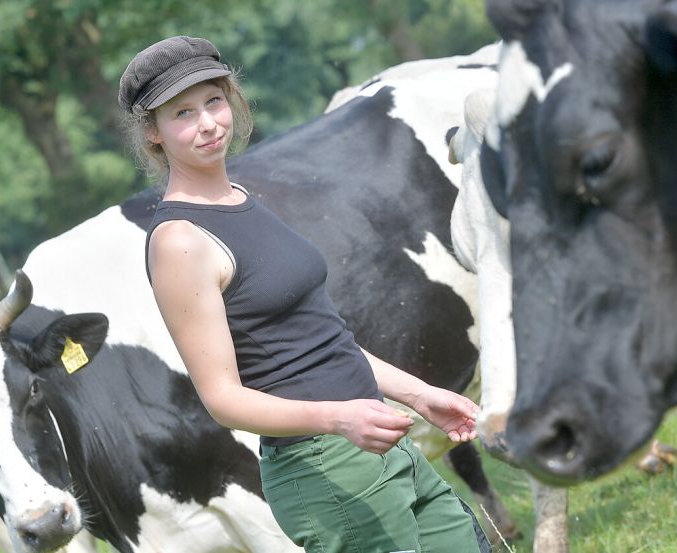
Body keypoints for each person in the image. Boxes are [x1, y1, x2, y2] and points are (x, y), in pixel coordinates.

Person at [120, 35, 490, 553]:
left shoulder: (242, 201)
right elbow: (223, 398)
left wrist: (420, 394)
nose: (207, 123)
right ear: (152, 132)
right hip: (324, 465)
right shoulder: (180, 241)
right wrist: (339, 417)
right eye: (182, 113)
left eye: (214, 101)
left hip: (378, 440)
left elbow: (324, 340)